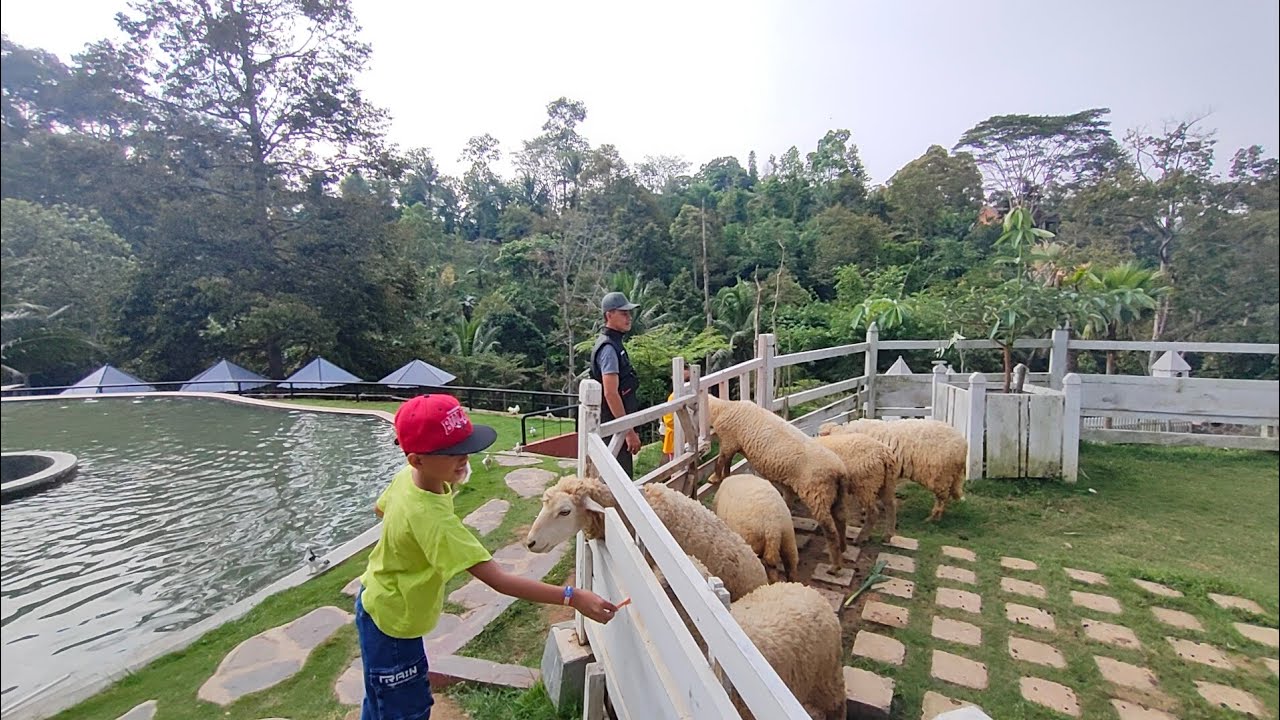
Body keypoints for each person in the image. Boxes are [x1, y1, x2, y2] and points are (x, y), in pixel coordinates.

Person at [357, 394, 617, 720]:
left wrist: (405, 546)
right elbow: (500, 581)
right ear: (417, 460)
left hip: (377, 601)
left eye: (464, 444)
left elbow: (379, 509)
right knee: (406, 710)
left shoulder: (405, 480)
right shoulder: (434, 521)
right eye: (450, 451)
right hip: (393, 623)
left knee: (380, 699)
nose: (464, 456)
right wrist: (572, 596)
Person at [589, 291, 642, 477]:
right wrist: (628, 432)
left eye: (629, 313)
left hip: (616, 425)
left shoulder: (614, 344)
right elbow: (611, 393)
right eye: (623, 313)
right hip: (612, 428)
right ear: (609, 315)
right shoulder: (609, 348)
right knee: (619, 480)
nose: (629, 318)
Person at [662, 365, 692, 462]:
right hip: (675, 439)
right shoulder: (672, 397)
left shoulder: (694, 395)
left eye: (688, 380)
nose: (685, 384)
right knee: (676, 465)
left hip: (689, 437)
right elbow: (669, 421)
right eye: (683, 380)